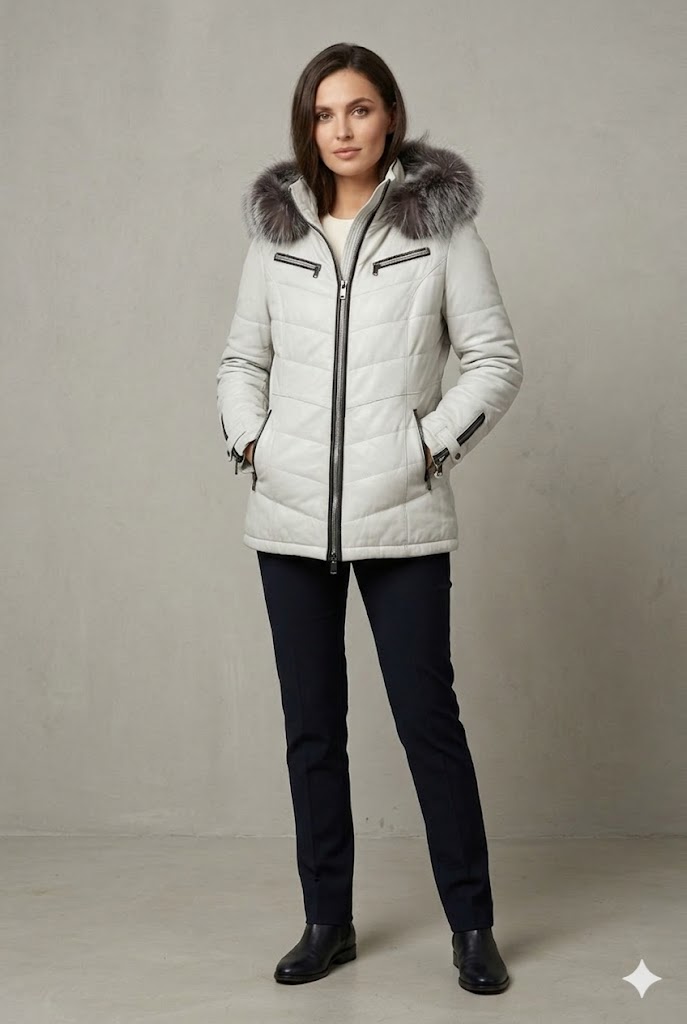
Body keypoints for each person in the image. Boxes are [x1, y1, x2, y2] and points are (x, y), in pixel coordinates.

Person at [216, 42, 524, 996]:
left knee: (428, 722)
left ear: (389, 114)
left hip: (402, 513)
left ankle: (471, 926)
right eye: (324, 114)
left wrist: (426, 449)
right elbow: (240, 361)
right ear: (307, 127)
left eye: (358, 109)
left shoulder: (440, 231)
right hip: (289, 517)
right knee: (311, 728)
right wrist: (254, 444)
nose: (341, 129)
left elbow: (493, 361)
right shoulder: (278, 233)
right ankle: (327, 921)